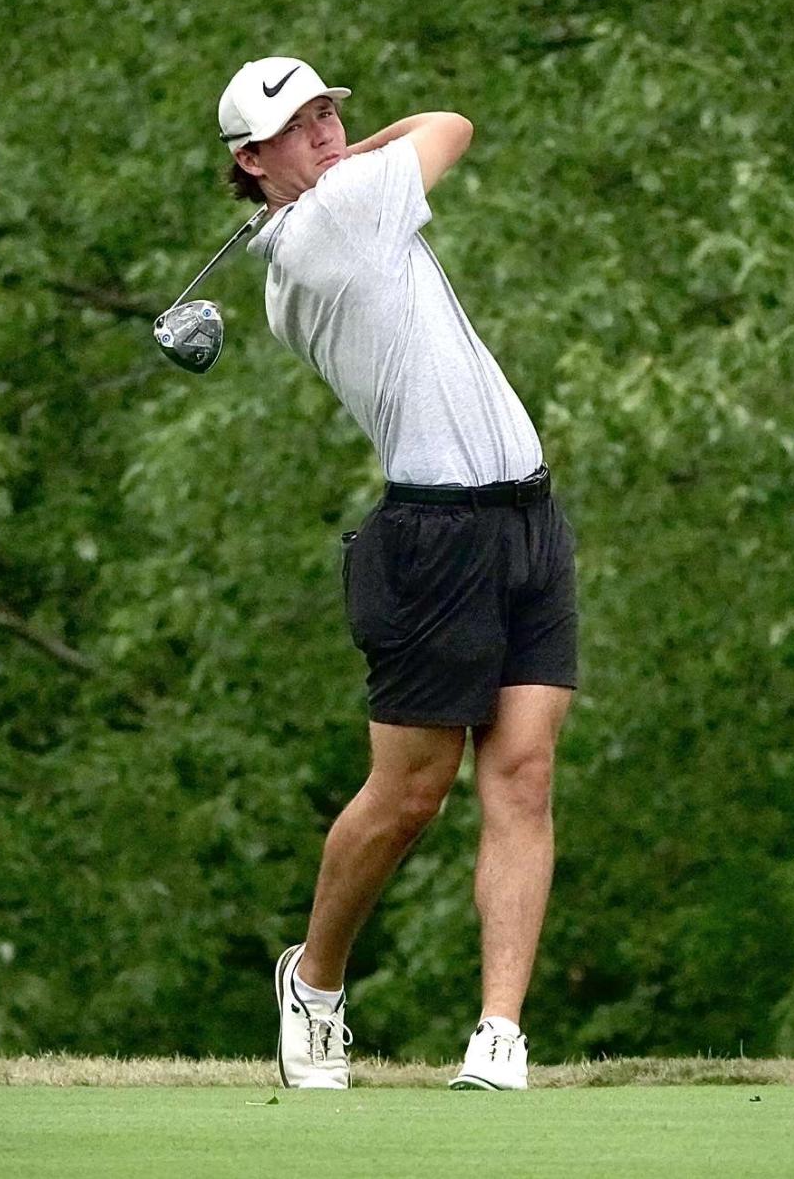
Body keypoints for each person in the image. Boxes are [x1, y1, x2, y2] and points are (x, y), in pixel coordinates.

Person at [215, 56, 579, 1091]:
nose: (329, 131)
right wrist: (345, 171)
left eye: (332, 112)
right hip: (436, 538)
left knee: (524, 771)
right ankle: (315, 979)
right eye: (301, 127)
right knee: (410, 794)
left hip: (526, 512)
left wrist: (325, 167)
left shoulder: (327, 213)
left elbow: (423, 128)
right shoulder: (337, 225)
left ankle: (499, 1032)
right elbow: (451, 121)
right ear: (252, 160)